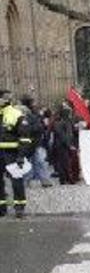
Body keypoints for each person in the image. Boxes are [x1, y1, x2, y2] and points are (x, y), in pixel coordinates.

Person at [0, 90, 34, 218]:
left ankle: (19, 207)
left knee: (16, 181)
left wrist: (21, 155)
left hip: (12, 154)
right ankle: (1, 208)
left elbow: (24, 137)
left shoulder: (16, 114)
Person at [20, 96, 53, 188]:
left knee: (40, 161)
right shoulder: (25, 115)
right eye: (33, 103)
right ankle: (27, 181)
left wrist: (42, 125)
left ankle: (44, 180)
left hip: (37, 142)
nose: (35, 105)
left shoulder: (36, 114)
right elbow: (26, 129)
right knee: (29, 162)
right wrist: (39, 127)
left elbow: (42, 125)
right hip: (28, 142)